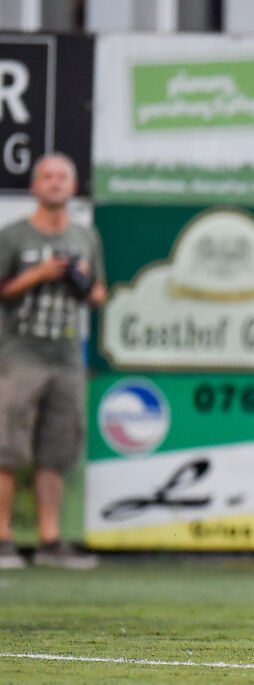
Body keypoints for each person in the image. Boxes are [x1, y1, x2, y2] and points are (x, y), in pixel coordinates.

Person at [0, 153, 105, 570]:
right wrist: (40, 274)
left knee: (56, 451)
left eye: (64, 176)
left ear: (74, 186)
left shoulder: (85, 236)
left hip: (66, 357)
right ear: (34, 186)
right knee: (7, 448)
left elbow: (100, 295)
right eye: (48, 176)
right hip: (20, 354)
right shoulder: (13, 236)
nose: (56, 183)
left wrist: (79, 280)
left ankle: (49, 540)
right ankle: (3, 539)